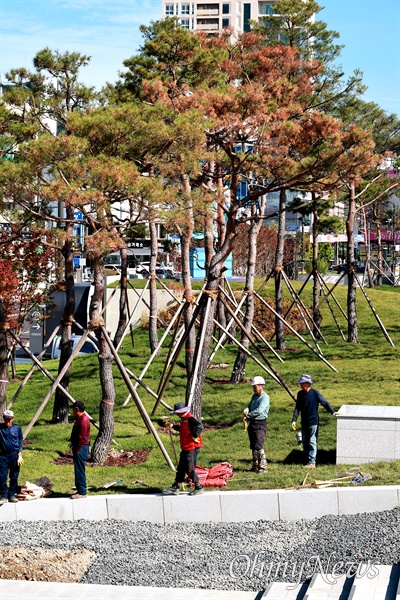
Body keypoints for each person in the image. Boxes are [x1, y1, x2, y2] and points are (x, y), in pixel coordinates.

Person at [292, 374, 339, 468]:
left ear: (307, 384)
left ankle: (312, 462)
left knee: (312, 441)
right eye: (300, 383)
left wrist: (333, 412)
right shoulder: (300, 394)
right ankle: (306, 460)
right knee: (305, 441)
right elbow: (297, 408)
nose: (300, 385)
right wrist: (294, 420)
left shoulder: (315, 393)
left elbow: (325, 403)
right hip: (304, 422)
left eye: (302, 383)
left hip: (313, 422)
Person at [163, 402, 204, 496]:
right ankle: (175, 486)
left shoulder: (189, 418)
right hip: (186, 447)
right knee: (181, 467)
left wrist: (194, 436)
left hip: (192, 447)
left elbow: (199, 426)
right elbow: (183, 429)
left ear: (182, 411)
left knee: (189, 468)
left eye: (178, 412)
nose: (177, 414)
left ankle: (199, 487)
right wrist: (173, 426)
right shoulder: (183, 419)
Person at [242, 376, 270, 473]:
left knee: (259, 446)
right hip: (252, 423)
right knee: (253, 446)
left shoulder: (265, 398)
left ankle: (263, 467)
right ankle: (255, 466)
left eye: (255, 387)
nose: (254, 389)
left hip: (260, 423)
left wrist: (248, 416)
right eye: (253, 387)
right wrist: (247, 410)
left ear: (261, 386)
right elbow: (250, 406)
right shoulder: (254, 396)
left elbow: (259, 410)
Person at [0, 409, 23, 504]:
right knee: (2, 476)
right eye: (6, 419)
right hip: (3, 455)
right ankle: (3, 495)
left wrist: (20, 453)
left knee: (14, 476)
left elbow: (21, 439)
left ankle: (12, 494)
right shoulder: (0, 428)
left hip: (15, 455)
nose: (7, 421)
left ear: (13, 419)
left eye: (9, 419)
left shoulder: (17, 428)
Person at [69, 401, 90, 499]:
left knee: (80, 470)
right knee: (78, 469)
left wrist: (77, 449)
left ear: (77, 409)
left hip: (81, 448)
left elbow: (82, 437)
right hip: (79, 447)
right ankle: (79, 489)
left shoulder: (83, 421)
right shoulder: (81, 418)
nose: (72, 411)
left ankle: (82, 492)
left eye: (73, 409)